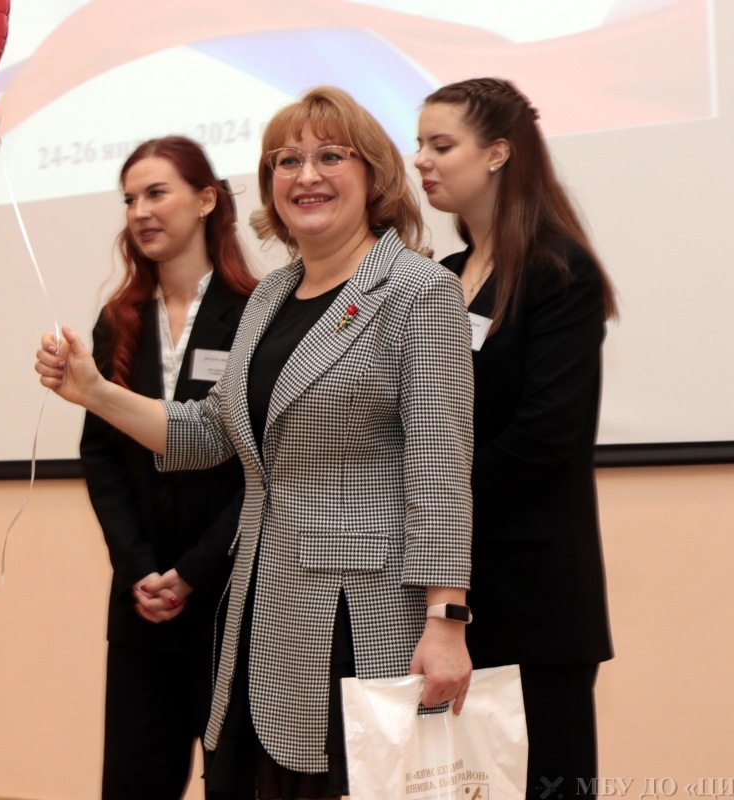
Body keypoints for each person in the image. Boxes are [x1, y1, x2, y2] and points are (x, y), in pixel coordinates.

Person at [38, 87, 474, 799]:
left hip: (358, 617)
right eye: (286, 160)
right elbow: (211, 431)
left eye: (330, 156)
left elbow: (441, 466)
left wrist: (446, 619)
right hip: (255, 607)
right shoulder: (269, 298)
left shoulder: (417, 291)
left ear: (373, 174)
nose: (306, 175)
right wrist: (94, 392)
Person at [414, 77, 616, 796]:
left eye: (441, 145)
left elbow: (543, 435)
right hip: (449, 594)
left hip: (536, 595)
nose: (421, 161)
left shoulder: (559, 270)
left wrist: (437, 508)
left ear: (498, 152)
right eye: (418, 145)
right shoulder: (439, 279)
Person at [81, 136, 258, 800]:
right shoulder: (118, 319)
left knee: (236, 783)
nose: (140, 212)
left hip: (229, 595)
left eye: (157, 193)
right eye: (130, 199)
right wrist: (140, 570)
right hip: (142, 603)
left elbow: (264, 466)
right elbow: (101, 455)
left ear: (206, 200)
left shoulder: (256, 311)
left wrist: (192, 573)